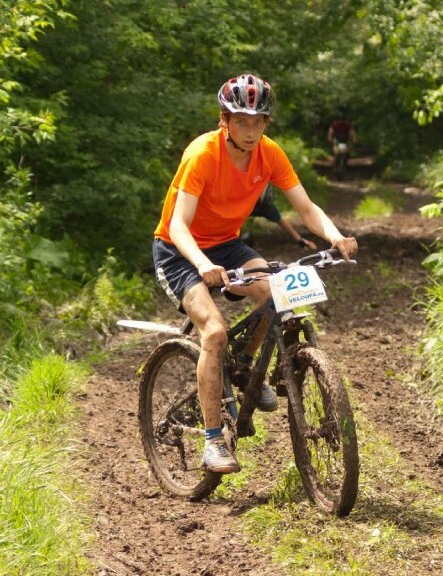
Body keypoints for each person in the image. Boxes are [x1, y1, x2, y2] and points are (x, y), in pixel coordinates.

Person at [152, 73, 358, 474]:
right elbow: (178, 224)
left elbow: (305, 208)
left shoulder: (270, 154)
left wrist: (336, 237)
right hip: (179, 250)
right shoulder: (202, 154)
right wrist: (203, 265)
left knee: (272, 291)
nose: (250, 131)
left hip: (226, 245)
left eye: (258, 122)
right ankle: (213, 441)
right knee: (214, 332)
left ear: (266, 123)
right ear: (224, 120)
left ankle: (244, 366)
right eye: (241, 121)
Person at [246, 184, 318, 250]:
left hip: (262, 204)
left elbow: (280, 220)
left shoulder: (266, 207)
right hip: (249, 203)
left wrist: (300, 240)